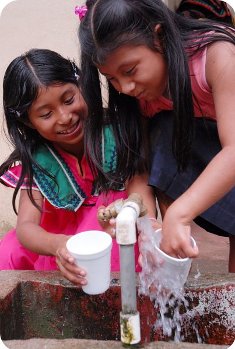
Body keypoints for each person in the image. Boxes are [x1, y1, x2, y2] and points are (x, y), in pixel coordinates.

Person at [77, 0, 235, 272]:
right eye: (111, 78)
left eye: (129, 70)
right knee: (163, 132)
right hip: (215, 158)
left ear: (159, 37)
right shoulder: (138, 97)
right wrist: (147, 225)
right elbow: (140, 168)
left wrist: (180, 213)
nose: (124, 87)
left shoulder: (217, 56)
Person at [0, 48, 146, 286]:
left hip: (111, 228)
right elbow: (26, 228)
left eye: (69, 100)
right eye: (46, 114)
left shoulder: (118, 134)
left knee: (116, 242)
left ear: (80, 84)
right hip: (61, 241)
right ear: (28, 121)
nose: (65, 117)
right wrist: (59, 245)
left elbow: (140, 194)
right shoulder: (39, 159)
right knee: (8, 251)